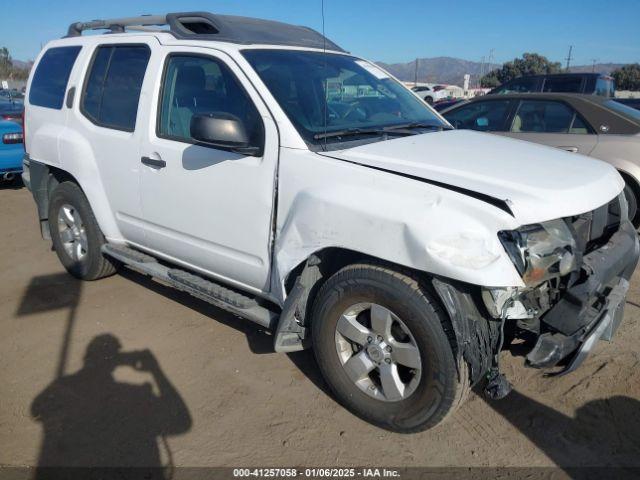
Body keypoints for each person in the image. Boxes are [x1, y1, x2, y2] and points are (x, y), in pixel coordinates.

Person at [31, 334, 191, 479]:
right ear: (117, 361)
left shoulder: (65, 390)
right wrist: (156, 371)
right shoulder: (135, 395)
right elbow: (181, 421)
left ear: (87, 358)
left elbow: (37, 409)